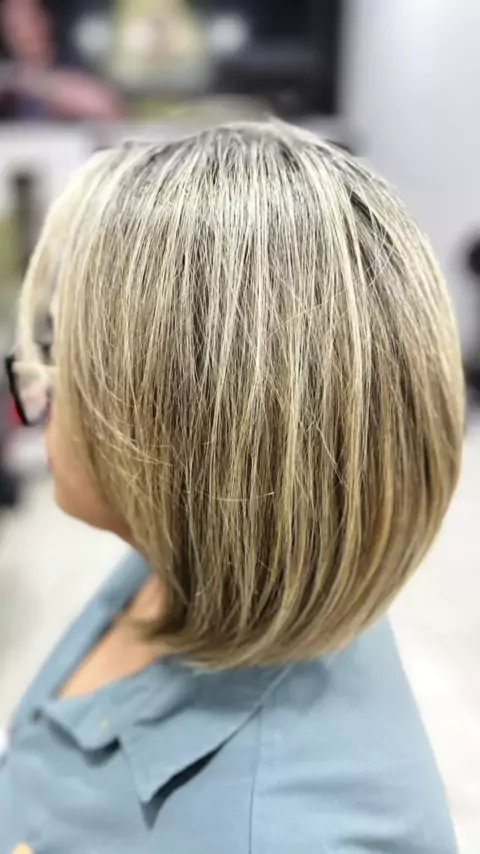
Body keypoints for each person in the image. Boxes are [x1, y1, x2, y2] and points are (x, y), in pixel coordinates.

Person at [2, 122, 464, 851]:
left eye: (64, 349)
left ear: (184, 423)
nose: (39, 385)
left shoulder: (281, 835)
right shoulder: (203, 556)